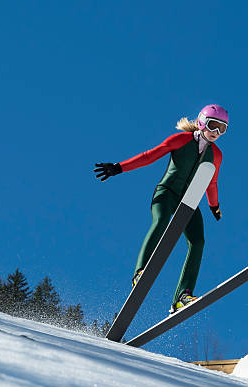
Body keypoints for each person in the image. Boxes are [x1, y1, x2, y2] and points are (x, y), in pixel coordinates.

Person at [94, 104, 228, 314]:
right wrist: (119, 167)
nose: (216, 133)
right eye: (213, 126)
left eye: (222, 129)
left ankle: (182, 296)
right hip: (166, 192)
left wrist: (214, 205)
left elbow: (212, 182)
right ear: (202, 122)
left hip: (189, 201)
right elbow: (150, 156)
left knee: (198, 242)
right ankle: (140, 272)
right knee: (161, 221)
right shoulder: (181, 139)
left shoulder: (216, 155)